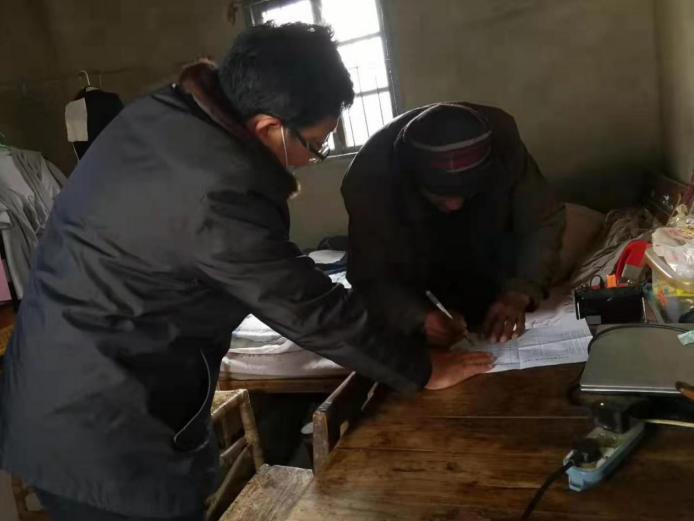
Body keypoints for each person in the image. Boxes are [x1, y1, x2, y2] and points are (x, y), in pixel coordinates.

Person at [0, 25, 493, 521]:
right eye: (315, 143)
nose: (312, 159)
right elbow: (306, 307)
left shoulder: (166, 115)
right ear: (268, 127)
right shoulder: (212, 191)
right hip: (96, 425)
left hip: (64, 385)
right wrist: (421, 368)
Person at [342, 102, 565, 348]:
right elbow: (371, 273)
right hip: (415, 278)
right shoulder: (369, 179)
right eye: (440, 196)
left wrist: (520, 291)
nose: (455, 205)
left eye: (466, 193)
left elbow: (542, 221)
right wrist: (417, 316)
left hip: (492, 259)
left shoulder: (502, 143)